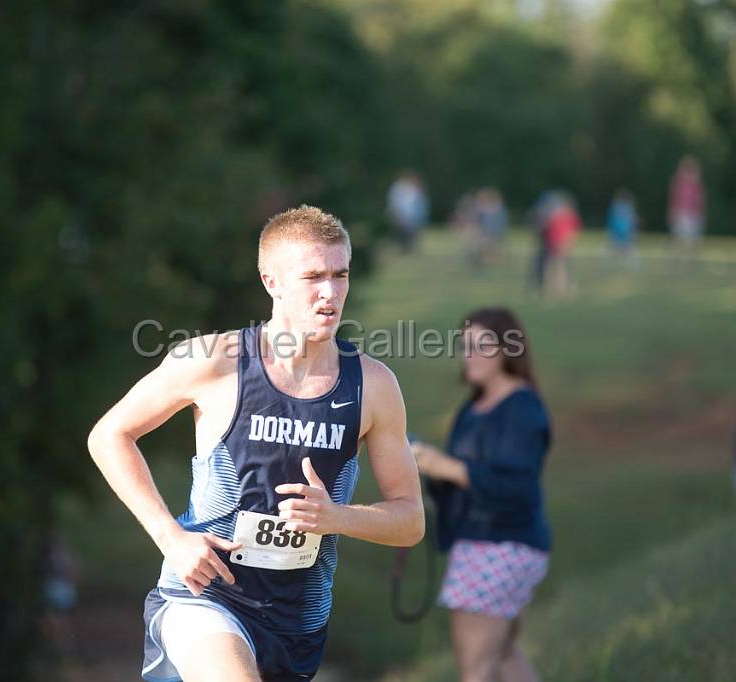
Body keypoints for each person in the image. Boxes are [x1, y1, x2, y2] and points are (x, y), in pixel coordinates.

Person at [87, 205, 424, 682]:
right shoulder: (214, 362)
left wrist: (337, 517)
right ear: (272, 282)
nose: (330, 292)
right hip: (205, 598)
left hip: (298, 622)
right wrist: (170, 537)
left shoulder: (373, 386)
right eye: (312, 277)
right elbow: (109, 435)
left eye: (340, 274)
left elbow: (410, 520)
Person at [412, 308, 551, 682]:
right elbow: (464, 477)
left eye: (481, 346)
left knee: (475, 671)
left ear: (508, 350)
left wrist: (450, 468)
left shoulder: (521, 408)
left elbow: (517, 488)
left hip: (498, 547)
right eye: (465, 346)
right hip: (490, 544)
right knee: (504, 656)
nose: (469, 355)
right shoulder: (475, 406)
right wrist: (429, 470)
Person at [544, 193, 581, 297]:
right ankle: (552, 287)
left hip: (563, 245)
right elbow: (549, 230)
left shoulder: (570, 217)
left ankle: (563, 288)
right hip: (553, 244)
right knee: (551, 266)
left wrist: (568, 243)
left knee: (562, 267)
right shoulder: (554, 216)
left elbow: (574, 232)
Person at [667, 156, 705, 258]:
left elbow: (699, 200)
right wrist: (673, 212)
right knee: (679, 237)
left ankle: (691, 258)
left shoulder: (696, 184)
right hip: (681, 213)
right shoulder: (678, 183)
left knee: (693, 239)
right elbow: (674, 198)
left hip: (692, 214)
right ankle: (678, 257)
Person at [387, 171, 430, 252]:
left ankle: (409, 248)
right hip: (403, 215)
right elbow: (395, 202)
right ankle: (404, 248)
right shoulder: (398, 187)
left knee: (412, 234)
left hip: (412, 217)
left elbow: (419, 204)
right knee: (403, 233)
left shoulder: (414, 189)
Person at [468, 187, 508, 268]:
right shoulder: (490, 208)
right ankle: (487, 262)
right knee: (486, 248)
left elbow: (496, 223)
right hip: (488, 232)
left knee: (489, 248)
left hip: (492, 232)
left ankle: (490, 262)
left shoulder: (495, 209)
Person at [606, 188, 640, 270]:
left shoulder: (621, 207)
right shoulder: (618, 207)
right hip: (621, 234)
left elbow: (633, 221)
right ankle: (613, 265)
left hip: (622, 234)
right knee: (619, 250)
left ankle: (630, 266)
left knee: (625, 250)